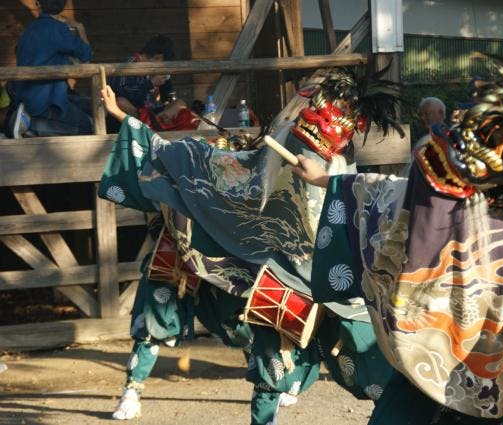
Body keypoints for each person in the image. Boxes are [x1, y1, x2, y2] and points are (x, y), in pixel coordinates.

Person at [292, 37, 503, 425]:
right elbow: (383, 191)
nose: (419, 195)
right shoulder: (426, 204)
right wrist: (327, 179)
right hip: (432, 365)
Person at [99, 68, 401, 424]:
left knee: (330, 329)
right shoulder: (298, 143)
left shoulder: (343, 167)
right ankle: (134, 386)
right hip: (260, 244)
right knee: (166, 293)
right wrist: (126, 119)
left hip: (310, 258)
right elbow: (217, 164)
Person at [8, 0, 93, 138]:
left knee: (87, 105)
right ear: (63, 6)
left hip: (26, 96)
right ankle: (31, 125)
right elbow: (86, 57)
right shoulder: (58, 29)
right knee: (86, 126)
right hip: (47, 101)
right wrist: (80, 28)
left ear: (38, 4)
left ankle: (28, 120)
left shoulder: (29, 31)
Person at [108, 35, 197, 132]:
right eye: (163, 64)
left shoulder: (156, 70)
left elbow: (167, 98)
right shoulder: (129, 64)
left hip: (151, 112)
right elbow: (123, 93)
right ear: (157, 57)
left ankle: (156, 124)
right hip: (134, 112)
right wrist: (150, 83)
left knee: (180, 103)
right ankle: (148, 128)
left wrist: (166, 92)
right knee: (121, 101)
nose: (164, 67)